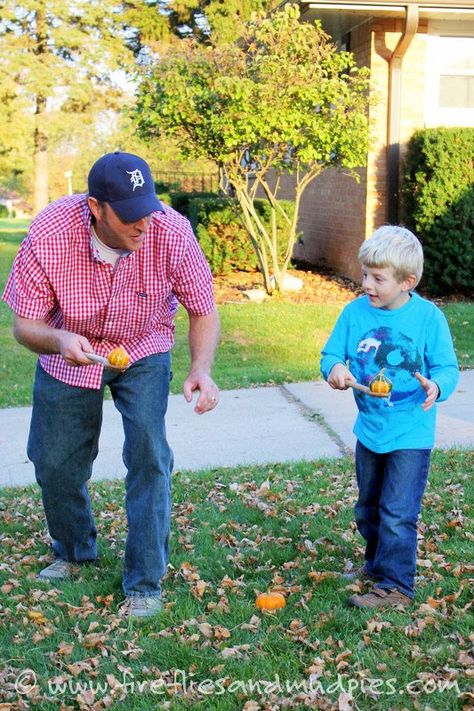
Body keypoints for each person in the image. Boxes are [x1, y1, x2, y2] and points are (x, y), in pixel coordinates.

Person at [2, 151, 220, 618]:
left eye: (148, 209)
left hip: (143, 347)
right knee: (55, 461)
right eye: (130, 216)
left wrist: (200, 367)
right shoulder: (51, 232)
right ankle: (75, 550)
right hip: (69, 351)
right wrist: (59, 339)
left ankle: (144, 582)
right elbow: (24, 326)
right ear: (96, 208)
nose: (144, 224)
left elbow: (202, 307)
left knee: (148, 453)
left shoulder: (170, 230)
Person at [320, 225, 459, 609]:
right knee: (368, 507)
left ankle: (397, 586)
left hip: (411, 434)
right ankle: (377, 564)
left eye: (378, 278)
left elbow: (448, 368)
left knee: (397, 512)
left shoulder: (428, 319)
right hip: (370, 430)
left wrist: (436, 386)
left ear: (406, 281)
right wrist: (334, 370)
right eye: (365, 274)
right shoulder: (354, 313)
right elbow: (331, 355)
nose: (367, 284)